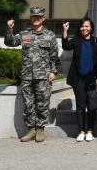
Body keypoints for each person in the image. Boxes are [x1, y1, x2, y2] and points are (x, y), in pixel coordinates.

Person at [4, 7, 60, 143]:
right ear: (31, 18)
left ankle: (40, 129)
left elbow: (54, 56)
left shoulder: (50, 35)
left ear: (43, 18)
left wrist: (53, 72)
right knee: (28, 103)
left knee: (42, 103)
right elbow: (10, 43)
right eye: (34, 17)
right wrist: (9, 29)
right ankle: (31, 130)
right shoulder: (24, 34)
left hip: (43, 75)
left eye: (39, 17)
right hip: (27, 75)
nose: (36, 19)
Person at [61, 18, 97, 142]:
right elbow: (65, 46)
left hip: (93, 78)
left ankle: (90, 131)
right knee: (80, 105)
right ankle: (81, 131)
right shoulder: (76, 40)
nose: (84, 28)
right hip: (79, 78)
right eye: (82, 26)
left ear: (91, 28)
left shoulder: (96, 41)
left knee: (92, 106)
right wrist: (65, 30)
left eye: (86, 26)